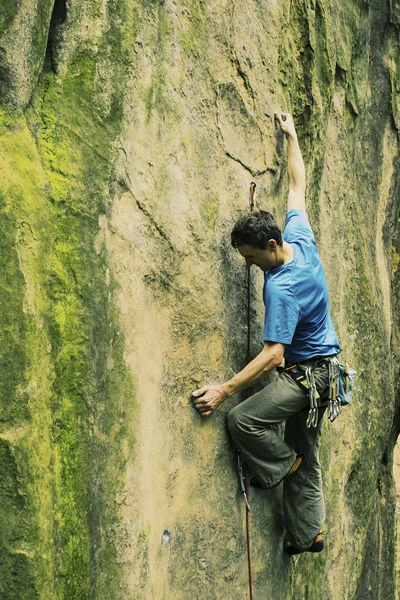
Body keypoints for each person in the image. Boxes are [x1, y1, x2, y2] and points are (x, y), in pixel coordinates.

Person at [192, 112, 341, 555]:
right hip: (326, 374)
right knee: (309, 457)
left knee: (243, 420)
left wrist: (224, 390)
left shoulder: (281, 289)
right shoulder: (299, 236)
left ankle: (280, 464)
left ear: (271, 247)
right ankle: (305, 534)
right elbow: (297, 185)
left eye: (253, 258)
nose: (250, 265)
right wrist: (291, 135)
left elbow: (274, 355)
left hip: (303, 378)